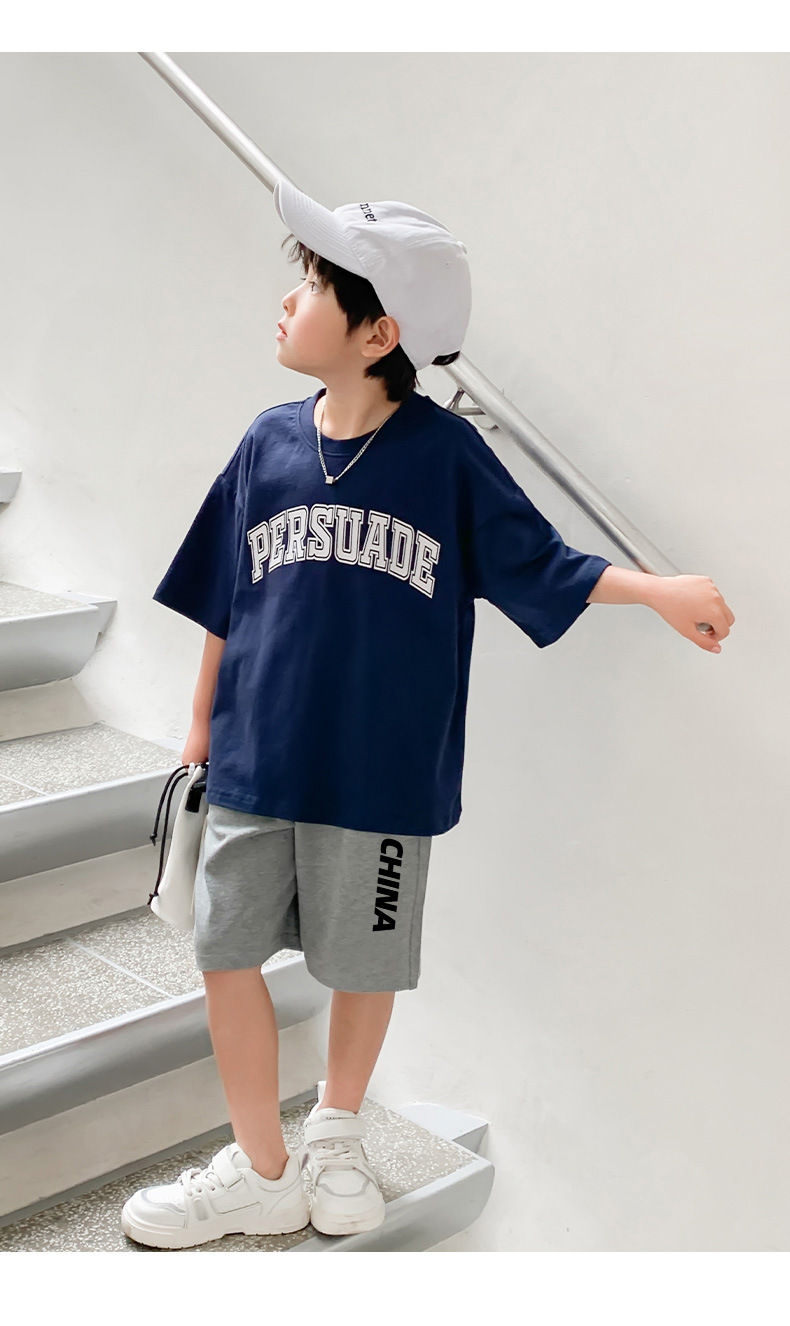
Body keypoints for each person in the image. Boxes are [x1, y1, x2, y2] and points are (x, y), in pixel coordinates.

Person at [121, 181, 735, 1250]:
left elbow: (539, 562)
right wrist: (200, 731)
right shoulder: (266, 442)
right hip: (257, 761)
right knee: (224, 954)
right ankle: (261, 1170)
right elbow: (224, 595)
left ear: (379, 333)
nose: (287, 299)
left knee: (362, 964)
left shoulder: (443, 455)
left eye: (314, 284)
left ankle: (336, 1136)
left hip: (382, 775)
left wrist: (657, 591)